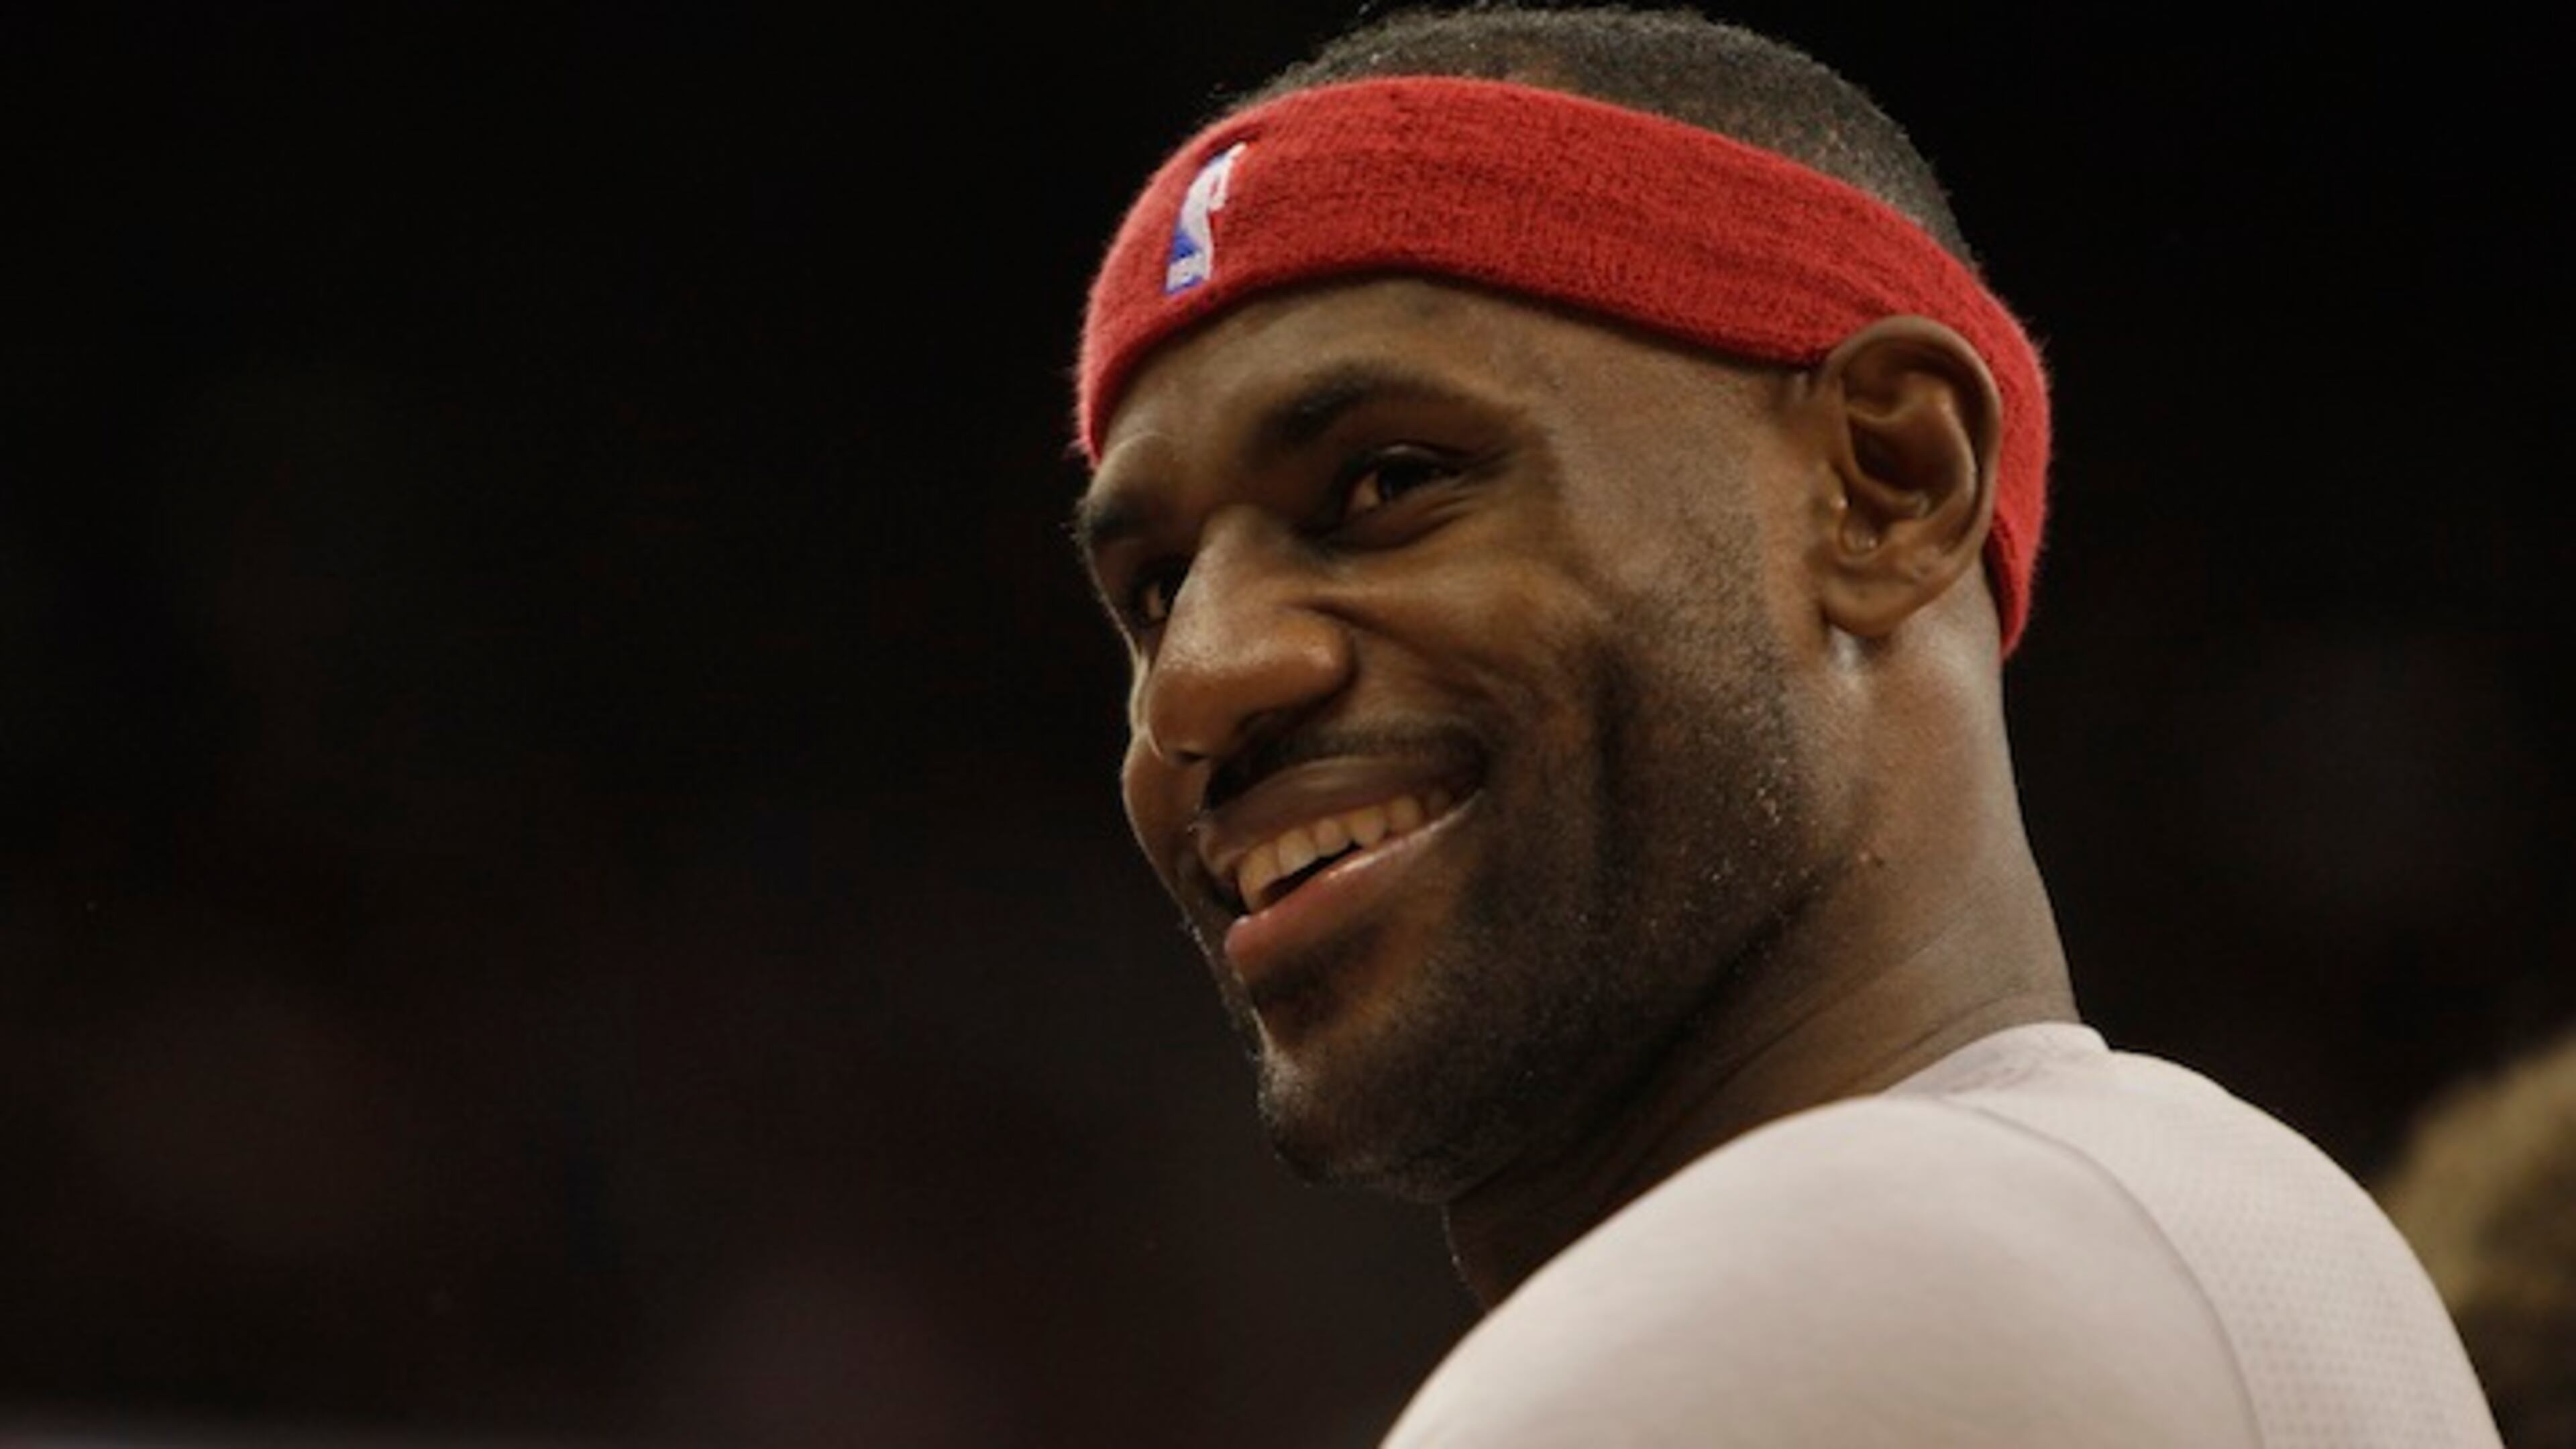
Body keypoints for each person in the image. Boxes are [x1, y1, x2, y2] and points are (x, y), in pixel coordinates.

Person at [1066, 7, 2502, 1443]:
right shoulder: (2207, 1232)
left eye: (1389, 482)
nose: (1199, 681)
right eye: (1154, 590)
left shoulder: (1860, 1282)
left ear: (1889, 482)